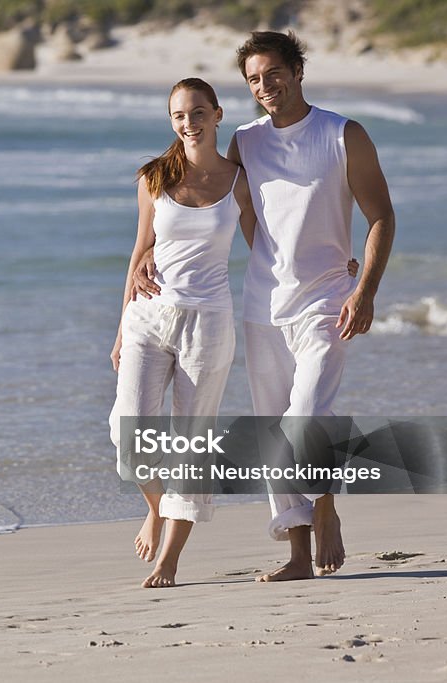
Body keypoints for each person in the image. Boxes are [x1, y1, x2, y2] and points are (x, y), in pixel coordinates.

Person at [134, 31, 395, 582]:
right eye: (254, 79)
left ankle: (326, 508)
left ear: (298, 71)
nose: (265, 86)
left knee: (305, 418)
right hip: (262, 304)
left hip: (328, 300)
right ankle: (298, 555)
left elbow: (381, 217)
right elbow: (220, 207)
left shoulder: (343, 134)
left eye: (273, 73)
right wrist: (147, 254)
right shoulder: (246, 142)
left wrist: (365, 287)